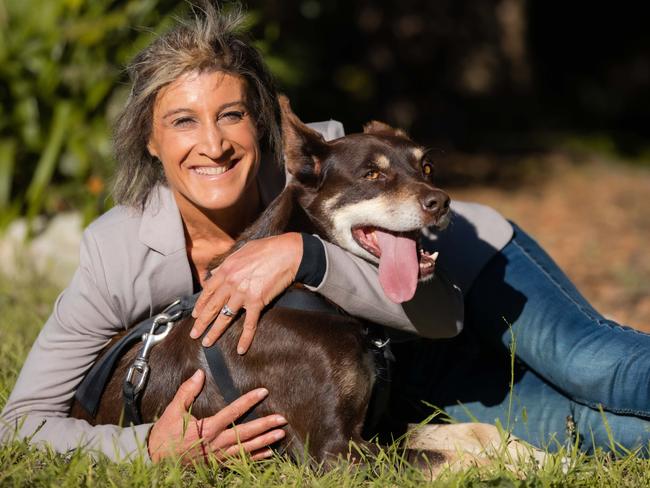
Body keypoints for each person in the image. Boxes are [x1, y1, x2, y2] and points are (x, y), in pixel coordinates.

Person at [1, 3, 649, 464]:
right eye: (183, 122)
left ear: (262, 126)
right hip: (402, 359)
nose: (214, 145)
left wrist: (306, 254)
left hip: (463, 267)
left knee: (597, 371)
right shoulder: (118, 253)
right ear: (151, 139)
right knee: (577, 431)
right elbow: (20, 425)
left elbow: (439, 311)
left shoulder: (323, 166)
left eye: (231, 115)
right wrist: (143, 446)